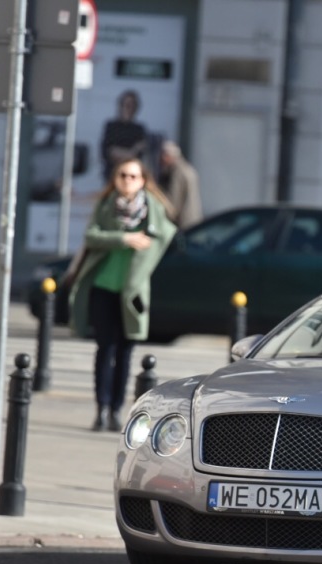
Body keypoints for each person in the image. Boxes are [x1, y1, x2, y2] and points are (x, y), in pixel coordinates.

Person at [69, 157, 178, 432]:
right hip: (103, 288)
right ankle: (101, 408)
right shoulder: (107, 206)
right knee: (105, 349)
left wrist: (148, 252)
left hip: (133, 293)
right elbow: (92, 236)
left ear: (143, 181)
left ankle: (117, 410)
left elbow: (167, 235)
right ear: (115, 179)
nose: (127, 181)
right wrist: (124, 238)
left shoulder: (152, 210)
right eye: (122, 176)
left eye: (132, 176)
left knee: (126, 353)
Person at [100, 90, 148, 183]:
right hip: (112, 176)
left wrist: (125, 154)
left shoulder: (139, 129)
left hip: (132, 179)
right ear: (121, 106)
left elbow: (139, 156)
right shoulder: (111, 126)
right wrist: (132, 151)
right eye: (127, 105)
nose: (129, 108)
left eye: (132, 106)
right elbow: (110, 152)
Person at [157, 141, 203, 231]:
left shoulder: (177, 172)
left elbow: (173, 201)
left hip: (184, 221)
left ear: (168, 156)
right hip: (194, 217)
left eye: (162, 156)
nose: (160, 159)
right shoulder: (187, 167)